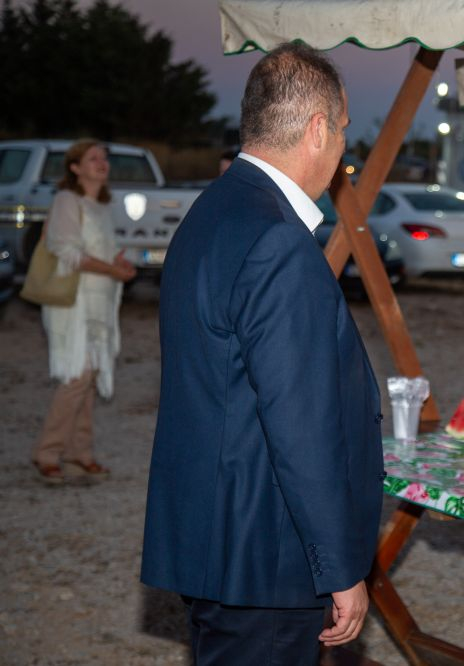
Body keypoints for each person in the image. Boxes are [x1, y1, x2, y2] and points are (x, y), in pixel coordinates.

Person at [141, 43, 383, 663]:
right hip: (266, 554)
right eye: (344, 131)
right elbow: (299, 424)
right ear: (318, 129)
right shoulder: (276, 238)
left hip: (216, 539)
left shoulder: (213, 211)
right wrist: (338, 567)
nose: (342, 152)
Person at [31, 140, 136, 484]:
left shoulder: (103, 206)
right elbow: (68, 252)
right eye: (93, 158)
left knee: (89, 377)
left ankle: (80, 452)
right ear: (75, 167)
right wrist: (112, 270)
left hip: (100, 301)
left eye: (104, 158)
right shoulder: (67, 200)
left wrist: (119, 264)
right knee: (78, 375)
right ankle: (47, 452)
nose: (102, 163)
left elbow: (102, 250)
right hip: (74, 302)